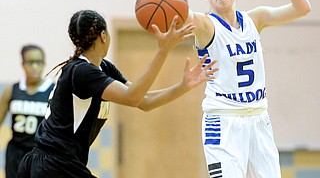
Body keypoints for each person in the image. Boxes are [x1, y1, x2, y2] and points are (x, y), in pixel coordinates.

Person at [173, 0, 311, 177]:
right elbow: (175, 11)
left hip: (259, 118)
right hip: (223, 120)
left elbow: (302, 8)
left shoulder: (255, 19)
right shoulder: (206, 25)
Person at [16, 9, 218, 178]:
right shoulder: (81, 72)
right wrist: (163, 51)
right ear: (104, 36)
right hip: (52, 165)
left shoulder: (102, 67)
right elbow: (133, 97)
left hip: (59, 165)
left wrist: (184, 86)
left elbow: (143, 100)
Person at [0, 44, 55, 178]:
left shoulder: (53, 91)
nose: (35, 67)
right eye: (31, 62)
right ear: (23, 64)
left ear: (44, 64)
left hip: (41, 154)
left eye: (39, 62)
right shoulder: (12, 90)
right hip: (16, 152)